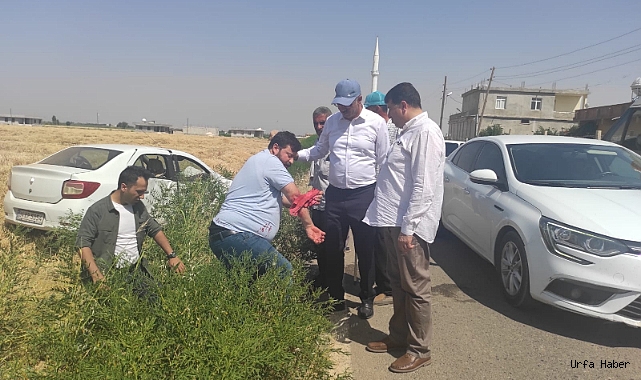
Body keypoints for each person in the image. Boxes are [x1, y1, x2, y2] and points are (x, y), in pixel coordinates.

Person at [363, 82, 445, 373]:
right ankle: (399, 336)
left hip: (410, 226)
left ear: (403, 106)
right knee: (398, 285)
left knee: (416, 288)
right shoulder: (407, 132)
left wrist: (409, 228)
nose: (388, 116)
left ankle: (419, 349)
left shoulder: (425, 133)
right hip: (394, 222)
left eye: (390, 110)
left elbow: (424, 187)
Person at [296, 79, 389, 319]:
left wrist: (381, 196)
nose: (343, 109)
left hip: (363, 195)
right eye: (339, 105)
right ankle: (335, 297)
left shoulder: (376, 124)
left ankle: (366, 297)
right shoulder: (332, 123)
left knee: (365, 248)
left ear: (360, 99)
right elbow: (319, 150)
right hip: (335, 196)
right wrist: (296, 154)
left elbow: (383, 162)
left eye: (347, 105)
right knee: (333, 247)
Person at [209, 131, 325, 275]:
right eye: (289, 155)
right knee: (283, 271)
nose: (291, 162)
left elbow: (283, 199)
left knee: (247, 282)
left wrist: (306, 201)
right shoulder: (271, 162)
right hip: (238, 234)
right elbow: (296, 198)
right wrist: (309, 225)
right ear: (275, 148)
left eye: (294, 158)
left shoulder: (259, 160)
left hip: (223, 235)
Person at [76, 166, 185, 290]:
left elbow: (155, 230)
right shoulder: (98, 211)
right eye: (139, 192)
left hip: (135, 272)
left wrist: (172, 256)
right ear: (124, 187)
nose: (142, 196)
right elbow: (82, 244)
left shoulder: (138, 208)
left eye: (144, 192)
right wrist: (97, 276)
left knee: (157, 301)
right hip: (108, 274)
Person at [363, 90, 397, 306]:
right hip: (373, 189)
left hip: (385, 191)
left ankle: (389, 288)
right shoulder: (382, 126)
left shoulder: (390, 129)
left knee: (383, 241)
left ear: (376, 109)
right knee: (375, 239)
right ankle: (378, 282)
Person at [308, 106, 332, 289]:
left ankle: (332, 283)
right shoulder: (317, 146)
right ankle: (323, 277)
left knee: (332, 248)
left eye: (322, 122)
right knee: (320, 247)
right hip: (316, 205)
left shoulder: (336, 146)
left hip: (331, 207)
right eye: (316, 123)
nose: (319, 126)